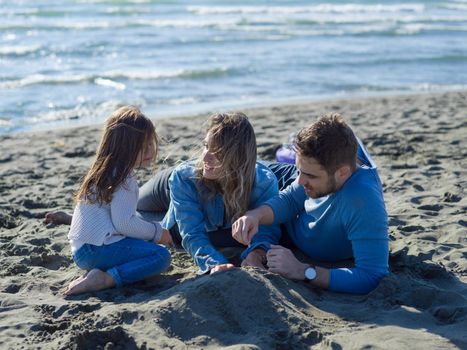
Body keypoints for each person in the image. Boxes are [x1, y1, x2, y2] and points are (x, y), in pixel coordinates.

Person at [232, 113, 389, 294]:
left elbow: (371, 276)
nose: (300, 181)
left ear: (343, 173)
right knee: (233, 172)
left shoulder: (362, 201)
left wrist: (301, 270)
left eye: (311, 175)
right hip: (282, 179)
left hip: (298, 225)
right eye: (301, 171)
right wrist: (255, 215)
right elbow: (290, 199)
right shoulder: (310, 176)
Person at [137, 112, 282, 274]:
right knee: (135, 206)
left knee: (154, 224)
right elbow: (192, 233)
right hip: (171, 185)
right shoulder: (183, 177)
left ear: (238, 158)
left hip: (205, 194)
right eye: (206, 146)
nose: (205, 156)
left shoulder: (264, 182)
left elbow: (267, 229)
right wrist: (214, 263)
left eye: (217, 152)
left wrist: (257, 254)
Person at [61, 106, 172, 296]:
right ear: (123, 147)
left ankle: (98, 272)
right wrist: (157, 232)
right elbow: (124, 223)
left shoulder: (101, 171)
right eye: (142, 146)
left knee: (140, 246)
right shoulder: (124, 178)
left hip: (82, 250)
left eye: (150, 144)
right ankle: (106, 279)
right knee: (159, 255)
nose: (150, 151)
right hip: (97, 250)